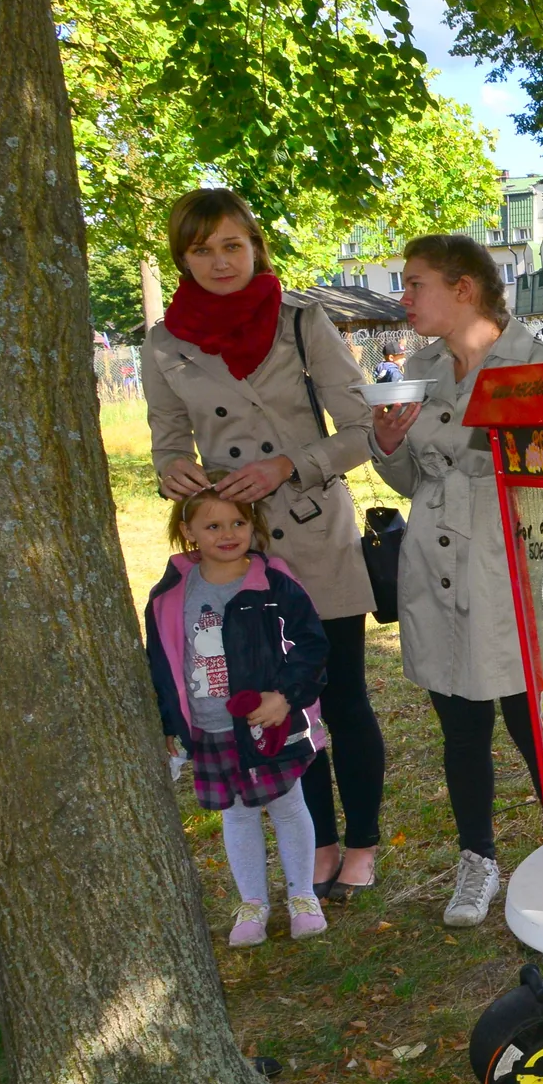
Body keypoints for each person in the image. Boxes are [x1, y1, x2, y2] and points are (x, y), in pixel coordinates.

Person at [144, 189, 388, 902]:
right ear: (181, 259)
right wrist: (171, 473)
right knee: (281, 701)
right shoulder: (166, 343)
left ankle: (364, 840)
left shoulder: (302, 320)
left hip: (313, 527)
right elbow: (166, 440)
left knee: (340, 693)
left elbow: (360, 428)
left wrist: (290, 464)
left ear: (255, 246)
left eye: (231, 244)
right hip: (235, 548)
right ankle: (320, 843)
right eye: (200, 249)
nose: (219, 261)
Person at [370, 234, 543, 927]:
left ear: (463, 289)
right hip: (435, 565)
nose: (404, 297)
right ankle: (477, 858)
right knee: (459, 726)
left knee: (533, 725)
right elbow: (408, 476)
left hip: (508, 566)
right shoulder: (415, 370)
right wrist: (388, 445)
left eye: (414, 283)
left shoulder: (540, 365)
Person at [145, 485, 332, 945]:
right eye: (213, 525)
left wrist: (285, 697)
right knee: (236, 814)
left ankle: (302, 896)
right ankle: (252, 902)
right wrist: (172, 724)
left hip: (268, 722)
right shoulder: (171, 593)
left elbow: (312, 646)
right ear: (187, 531)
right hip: (210, 728)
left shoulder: (273, 582)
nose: (228, 534)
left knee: (288, 806)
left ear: (254, 525)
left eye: (238, 523)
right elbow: (163, 661)